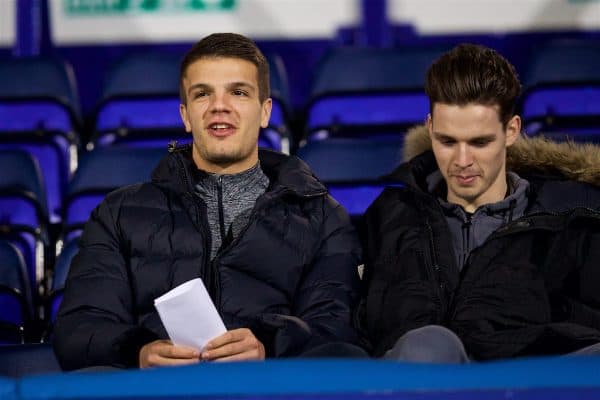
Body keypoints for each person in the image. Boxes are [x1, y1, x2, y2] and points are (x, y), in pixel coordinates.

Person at [54, 33, 364, 370]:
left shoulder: (321, 217)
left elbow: (338, 329)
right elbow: (78, 329)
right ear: (186, 116)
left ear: (264, 111)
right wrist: (139, 352)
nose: (220, 105)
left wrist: (269, 344)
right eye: (203, 94)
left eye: (238, 92)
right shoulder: (118, 214)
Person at [361, 43, 600, 362]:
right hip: (422, 380)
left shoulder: (573, 218)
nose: (462, 160)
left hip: (538, 381)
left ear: (512, 130)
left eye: (479, 142)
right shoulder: (390, 215)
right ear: (430, 127)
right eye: (447, 141)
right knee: (429, 346)